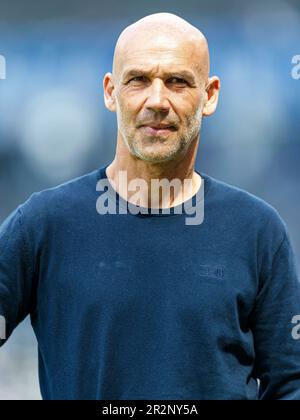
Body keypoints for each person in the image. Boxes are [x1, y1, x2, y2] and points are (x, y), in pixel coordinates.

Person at [1, 12, 300, 400]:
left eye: (177, 82)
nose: (156, 101)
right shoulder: (44, 225)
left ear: (209, 96)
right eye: (138, 80)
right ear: (111, 91)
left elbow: (290, 381)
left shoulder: (257, 230)